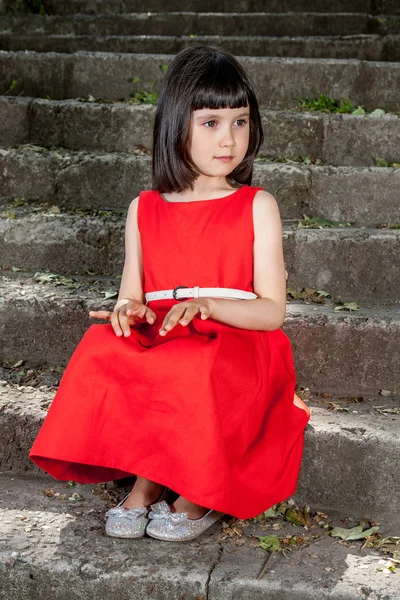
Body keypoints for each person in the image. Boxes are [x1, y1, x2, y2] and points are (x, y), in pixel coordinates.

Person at [29, 44, 311, 542]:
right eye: (211, 123)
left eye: (240, 121)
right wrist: (125, 310)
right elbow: (129, 294)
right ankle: (147, 481)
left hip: (235, 341)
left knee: (190, 366)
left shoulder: (255, 205)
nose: (229, 139)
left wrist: (210, 305)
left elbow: (272, 312)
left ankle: (197, 494)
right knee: (101, 349)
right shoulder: (144, 208)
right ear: (176, 124)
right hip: (163, 335)